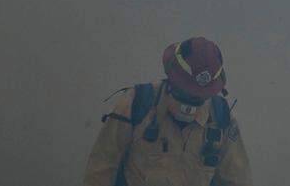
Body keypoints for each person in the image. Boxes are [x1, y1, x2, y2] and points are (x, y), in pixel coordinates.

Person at [83, 37, 253, 186]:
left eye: (198, 97)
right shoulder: (137, 103)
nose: (190, 103)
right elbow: (102, 166)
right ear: (171, 79)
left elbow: (237, 179)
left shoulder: (221, 119)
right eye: (185, 92)